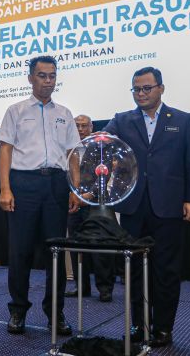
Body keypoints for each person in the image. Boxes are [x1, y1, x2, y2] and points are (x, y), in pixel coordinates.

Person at [103, 66, 190, 347]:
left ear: (161, 88)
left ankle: (163, 328)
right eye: (136, 89)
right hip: (134, 207)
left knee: (166, 270)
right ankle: (139, 325)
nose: (141, 93)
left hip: (169, 206)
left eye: (147, 88)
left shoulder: (182, 120)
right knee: (134, 270)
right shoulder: (122, 120)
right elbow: (102, 142)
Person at [0, 55, 81, 335]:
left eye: (52, 76)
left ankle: (55, 313)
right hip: (24, 184)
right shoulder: (16, 110)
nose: (48, 81)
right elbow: (5, 150)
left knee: (55, 253)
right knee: (20, 251)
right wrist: (5, 188)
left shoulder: (65, 113)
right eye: (42, 75)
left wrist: (75, 188)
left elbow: (72, 154)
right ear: (30, 78)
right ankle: (18, 311)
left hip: (56, 185)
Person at [65, 115, 115, 302]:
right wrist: (73, 196)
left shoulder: (101, 146)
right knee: (76, 246)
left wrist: (90, 195)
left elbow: (105, 174)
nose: (80, 129)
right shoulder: (67, 148)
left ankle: (105, 289)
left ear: (91, 127)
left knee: (100, 247)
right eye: (77, 126)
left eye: (84, 126)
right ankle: (81, 287)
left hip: (97, 203)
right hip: (74, 204)